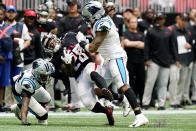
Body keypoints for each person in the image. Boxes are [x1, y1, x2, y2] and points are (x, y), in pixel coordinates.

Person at [82, 1, 148, 127]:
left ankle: (140, 116)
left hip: (116, 57)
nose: (86, 19)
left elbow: (93, 48)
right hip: (108, 59)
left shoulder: (103, 23)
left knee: (123, 85)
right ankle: (123, 99)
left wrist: (83, 43)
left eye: (87, 15)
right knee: (97, 90)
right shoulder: (101, 19)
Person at [42, 32, 115, 126]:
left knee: (91, 73)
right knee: (89, 104)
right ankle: (107, 111)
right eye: (48, 45)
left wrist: (83, 41)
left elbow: (87, 42)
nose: (51, 44)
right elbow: (68, 75)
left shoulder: (69, 36)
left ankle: (105, 90)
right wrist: (68, 65)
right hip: (79, 77)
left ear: (54, 38)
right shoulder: (55, 59)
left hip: (89, 64)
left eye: (50, 41)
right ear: (47, 49)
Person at [142, 13, 177, 110]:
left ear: (164, 20)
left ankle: (161, 104)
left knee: (163, 84)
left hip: (166, 62)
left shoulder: (169, 32)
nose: (160, 20)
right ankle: (145, 103)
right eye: (158, 19)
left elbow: (173, 47)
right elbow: (147, 47)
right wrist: (146, 59)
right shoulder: (150, 31)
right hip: (153, 61)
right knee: (150, 83)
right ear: (156, 20)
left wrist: (176, 59)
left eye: (161, 18)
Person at [10, 58, 55, 125]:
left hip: (32, 89)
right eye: (44, 76)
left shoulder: (35, 72)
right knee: (44, 116)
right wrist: (24, 121)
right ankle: (40, 116)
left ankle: (19, 107)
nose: (47, 78)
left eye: (47, 76)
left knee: (47, 98)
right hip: (21, 93)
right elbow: (25, 103)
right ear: (37, 73)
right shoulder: (28, 83)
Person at [4, 5, 31, 110]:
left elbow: (28, 40)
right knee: (6, 81)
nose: (10, 14)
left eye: (12, 12)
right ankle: (6, 104)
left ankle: (14, 104)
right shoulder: (2, 26)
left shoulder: (21, 26)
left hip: (17, 57)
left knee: (16, 81)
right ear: (6, 13)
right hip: (5, 57)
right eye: (9, 12)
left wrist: (20, 48)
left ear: (15, 13)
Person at [121, 16, 145, 106]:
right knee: (130, 82)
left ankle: (142, 101)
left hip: (140, 61)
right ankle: (132, 101)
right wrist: (138, 43)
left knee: (141, 81)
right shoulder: (125, 33)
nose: (134, 24)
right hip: (129, 61)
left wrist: (132, 43)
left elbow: (144, 45)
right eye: (132, 22)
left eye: (135, 22)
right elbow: (127, 43)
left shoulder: (141, 34)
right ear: (128, 23)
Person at [0, 8, 15, 112]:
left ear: (4, 15)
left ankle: (1, 104)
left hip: (6, 58)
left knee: (3, 82)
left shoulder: (8, 28)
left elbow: (11, 44)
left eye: (1, 14)